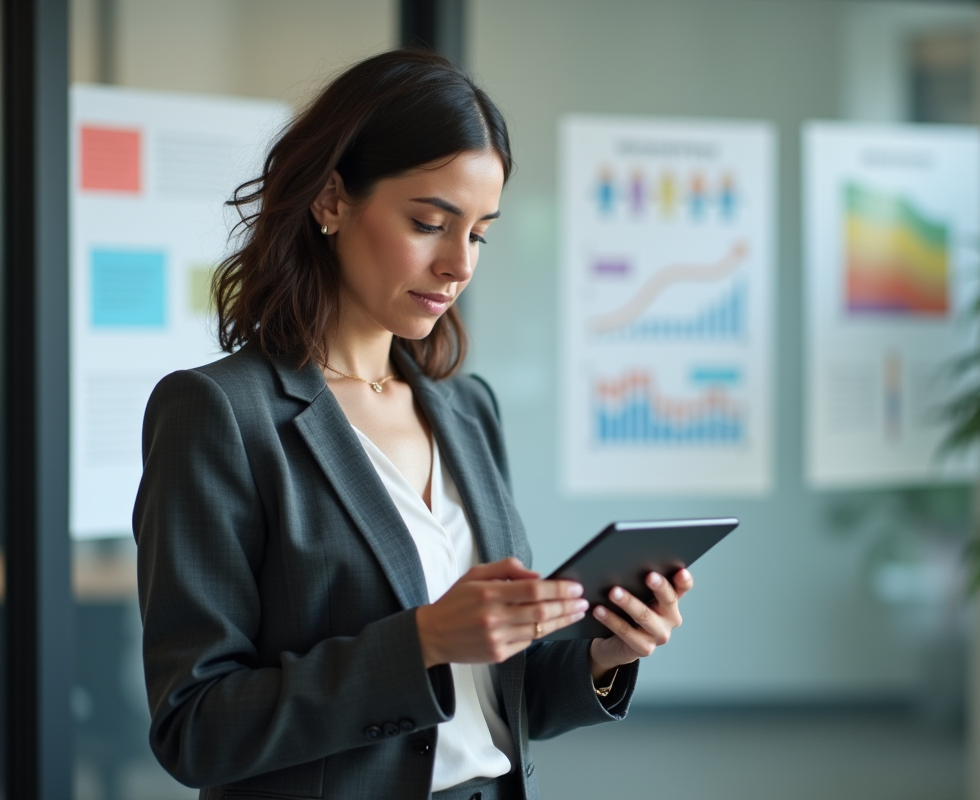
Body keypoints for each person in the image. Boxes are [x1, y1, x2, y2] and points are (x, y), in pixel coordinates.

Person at [133, 49, 694, 800]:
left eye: (481, 233)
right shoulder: (221, 415)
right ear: (331, 200)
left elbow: (493, 701)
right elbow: (195, 728)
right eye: (431, 222)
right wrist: (422, 641)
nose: (459, 264)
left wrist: (602, 654)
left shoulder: (467, 409)